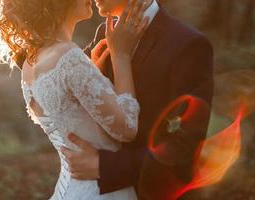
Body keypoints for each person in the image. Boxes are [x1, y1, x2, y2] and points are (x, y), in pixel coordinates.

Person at [0, 0, 151, 199]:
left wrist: (94, 73)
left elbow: (76, 113)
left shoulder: (31, 63)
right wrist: (120, 55)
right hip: (103, 192)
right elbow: (127, 127)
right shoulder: (68, 56)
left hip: (72, 189)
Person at [61, 0, 214, 199]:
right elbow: (60, 82)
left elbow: (182, 146)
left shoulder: (189, 45)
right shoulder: (105, 32)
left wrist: (104, 166)